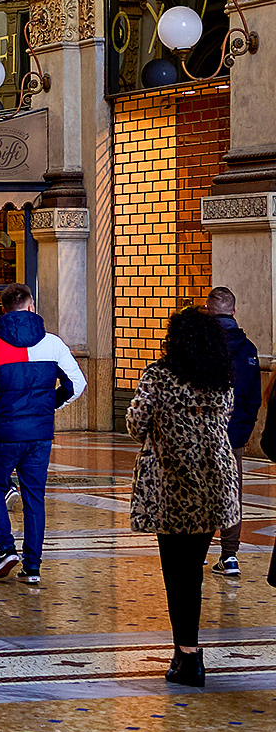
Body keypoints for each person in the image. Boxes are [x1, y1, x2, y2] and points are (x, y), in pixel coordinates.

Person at [126, 306, 239, 684]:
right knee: (194, 569)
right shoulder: (221, 376)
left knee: (177, 572)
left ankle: (187, 656)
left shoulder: (159, 375)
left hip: (171, 482)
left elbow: (135, 422)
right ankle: (187, 655)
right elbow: (226, 419)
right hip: (213, 479)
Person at [0, 282, 86, 586]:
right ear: (32, 307)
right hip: (40, 433)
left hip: (5, 432)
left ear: (4, 310)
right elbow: (77, 384)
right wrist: (50, 406)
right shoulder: (54, 344)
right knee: (34, 496)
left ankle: (6, 549)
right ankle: (32, 567)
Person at [206, 286, 262, 575]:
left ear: (208, 311)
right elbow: (255, 399)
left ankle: (196, 549)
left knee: (199, 491)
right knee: (231, 494)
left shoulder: (201, 346)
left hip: (203, 436)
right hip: (234, 436)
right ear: (234, 311)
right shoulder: (250, 350)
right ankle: (229, 556)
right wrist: (243, 430)